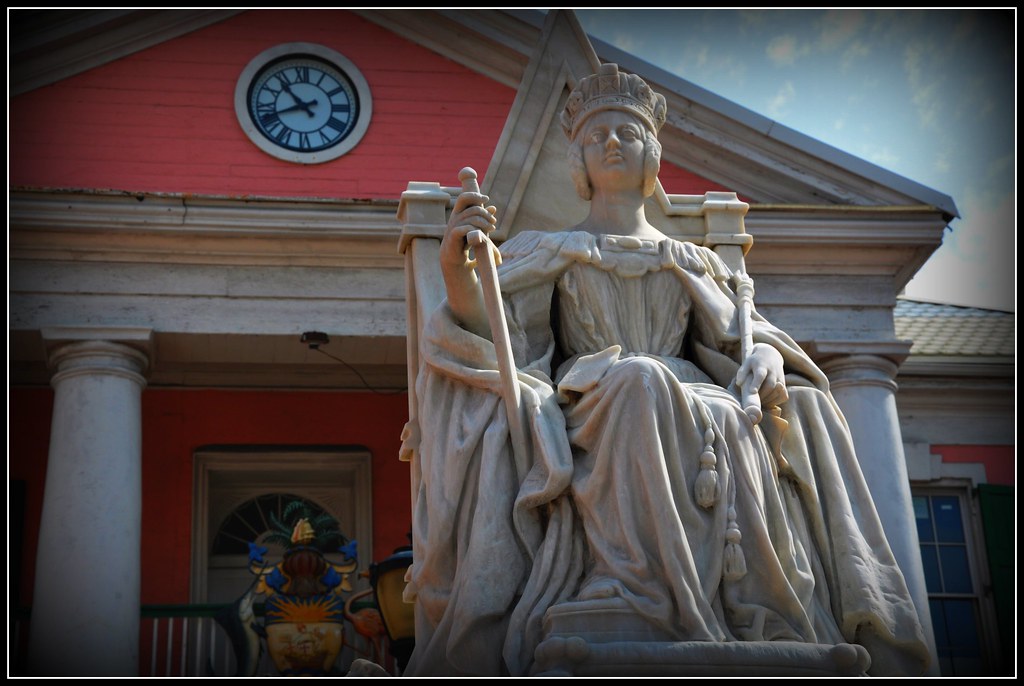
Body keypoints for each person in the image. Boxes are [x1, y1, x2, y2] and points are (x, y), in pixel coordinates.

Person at [404, 64, 929, 676]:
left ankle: (751, 600)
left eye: (626, 132)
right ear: (578, 162)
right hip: (593, 399)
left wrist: (765, 356)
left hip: (702, 399)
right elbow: (493, 335)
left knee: (781, 402)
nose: (611, 142)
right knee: (639, 380)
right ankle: (629, 590)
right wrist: (459, 273)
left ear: (652, 154)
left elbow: (744, 335)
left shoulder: (696, 261)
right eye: (596, 134)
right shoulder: (545, 250)